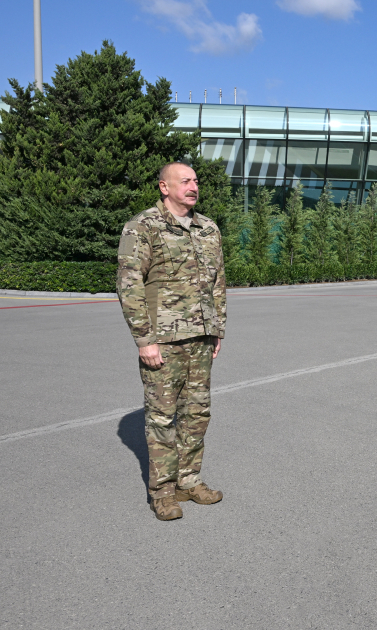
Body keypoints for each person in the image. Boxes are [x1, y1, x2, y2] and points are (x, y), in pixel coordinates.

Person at [117, 162, 227, 521]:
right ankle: (162, 492)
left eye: (195, 180)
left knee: (196, 414)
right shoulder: (144, 226)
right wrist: (143, 339)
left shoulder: (208, 228)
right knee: (163, 418)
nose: (193, 186)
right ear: (164, 187)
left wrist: (217, 328)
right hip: (162, 342)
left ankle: (189, 480)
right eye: (185, 181)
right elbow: (129, 283)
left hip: (200, 339)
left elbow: (217, 283)